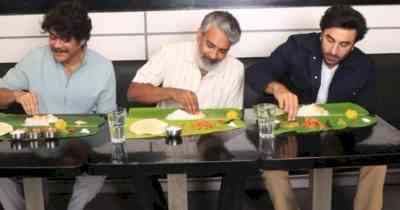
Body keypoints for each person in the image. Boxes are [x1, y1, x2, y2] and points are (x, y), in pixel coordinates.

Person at [246, 5, 386, 210]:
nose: (334, 50)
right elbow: (256, 72)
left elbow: (367, 113)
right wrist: (277, 88)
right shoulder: (297, 46)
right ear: (321, 33)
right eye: (330, 40)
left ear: (354, 45)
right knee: (270, 160)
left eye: (344, 44)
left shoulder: (364, 65)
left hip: (339, 135)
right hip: (292, 133)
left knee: (378, 160)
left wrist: (343, 135)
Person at [0, 2, 116, 210]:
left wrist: (89, 141)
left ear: (82, 40)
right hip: (37, 143)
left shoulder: (104, 68)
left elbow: (107, 121)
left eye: (65, 39)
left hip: (83, 144)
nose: (57, 45)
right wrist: (16, 95)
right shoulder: (34, 59)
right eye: (53, 37)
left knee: (102, 160)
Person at [127, 11, 244, 111]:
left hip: (211, 135)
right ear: (199, 35)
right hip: (167, 132)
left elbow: (232, 117)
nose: (213, 55)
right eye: (210, 45)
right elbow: (133, 93)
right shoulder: (170, 52)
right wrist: (171, 93)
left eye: (222, 51)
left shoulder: (236, 68)